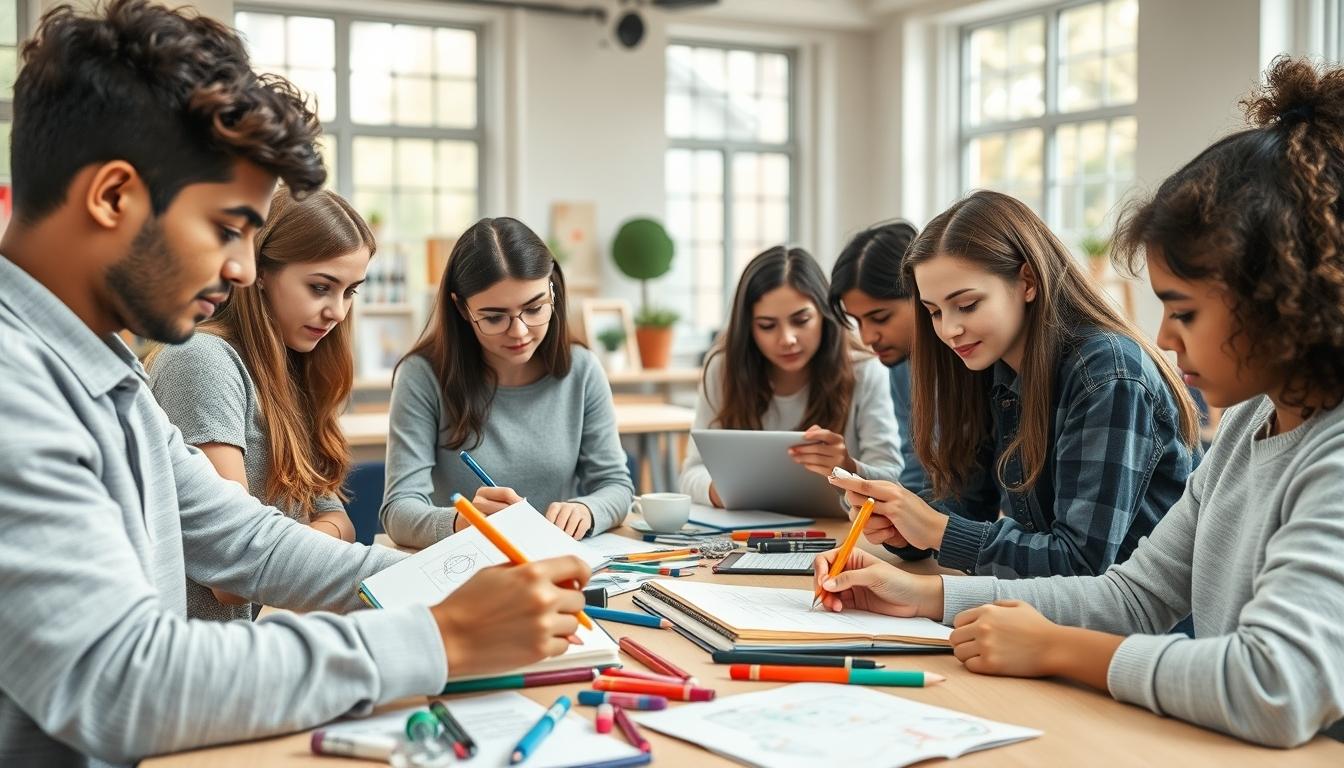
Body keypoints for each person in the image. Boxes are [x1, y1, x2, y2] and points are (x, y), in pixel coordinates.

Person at [0, 3, 587, 763]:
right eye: (227, 227)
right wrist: (445, 633)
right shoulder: (16, 390)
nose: (244, 268)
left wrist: (454, 575)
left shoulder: (99, 367)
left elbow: (244, 538)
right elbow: (119, 682)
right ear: (113, 196)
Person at [817, 57, 1344, 748]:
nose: (1162, 338)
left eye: (1183, 312)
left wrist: (1059, 648)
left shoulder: (1329, 453)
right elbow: (1133, 595)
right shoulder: (1250, 422)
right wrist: (927, 596)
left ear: (1276, 299)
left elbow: (1272, 685)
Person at [840, 190, 1199, 577]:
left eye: (967, 305)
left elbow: (1079, 564)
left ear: (1027, 280)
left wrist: (935, 530)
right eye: (934, 312)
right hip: (1051, 617)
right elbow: (967, 508)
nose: (949, 329)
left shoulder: (1106, 373)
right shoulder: (991, 365)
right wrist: (905, 529)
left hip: (1136, 632)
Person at [147, 187, 373, 621]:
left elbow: (338, 519)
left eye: (349, 292)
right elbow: (232, 577)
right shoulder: (201, 360)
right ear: (260, 270)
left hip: (254, 635)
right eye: (321, 287)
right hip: (204, 660)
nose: (337, 312)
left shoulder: (289, 367)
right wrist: (295, 547)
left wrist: (288, 548)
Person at [381, 216, 633, 546]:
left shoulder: (582, 369)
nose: (519, 331)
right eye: (494, 317)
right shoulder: (422, 376)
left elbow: (616, 484)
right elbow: (398, 512)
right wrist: (462, 522)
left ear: (552, 290)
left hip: (557, 564)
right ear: (461, 308)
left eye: (534, 308)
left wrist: (587, 509)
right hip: (468, 564)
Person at [680, 245, 902, 513]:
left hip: (837, 537)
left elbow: (892, 480)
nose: (787, 339)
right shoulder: (722, 369)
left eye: (801, 320)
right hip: (746, 533)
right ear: (748, 327)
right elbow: (691, 473)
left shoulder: (865, 370)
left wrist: (848, 467)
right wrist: (727, 491)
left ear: (824, 315)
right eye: (767, 325)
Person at [828, 220, 929, 502]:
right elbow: (916, 471)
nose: (867, 336)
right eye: (857, 321)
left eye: (880, 317)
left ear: (922, 295)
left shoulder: (976, 362)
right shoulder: (900, 367)